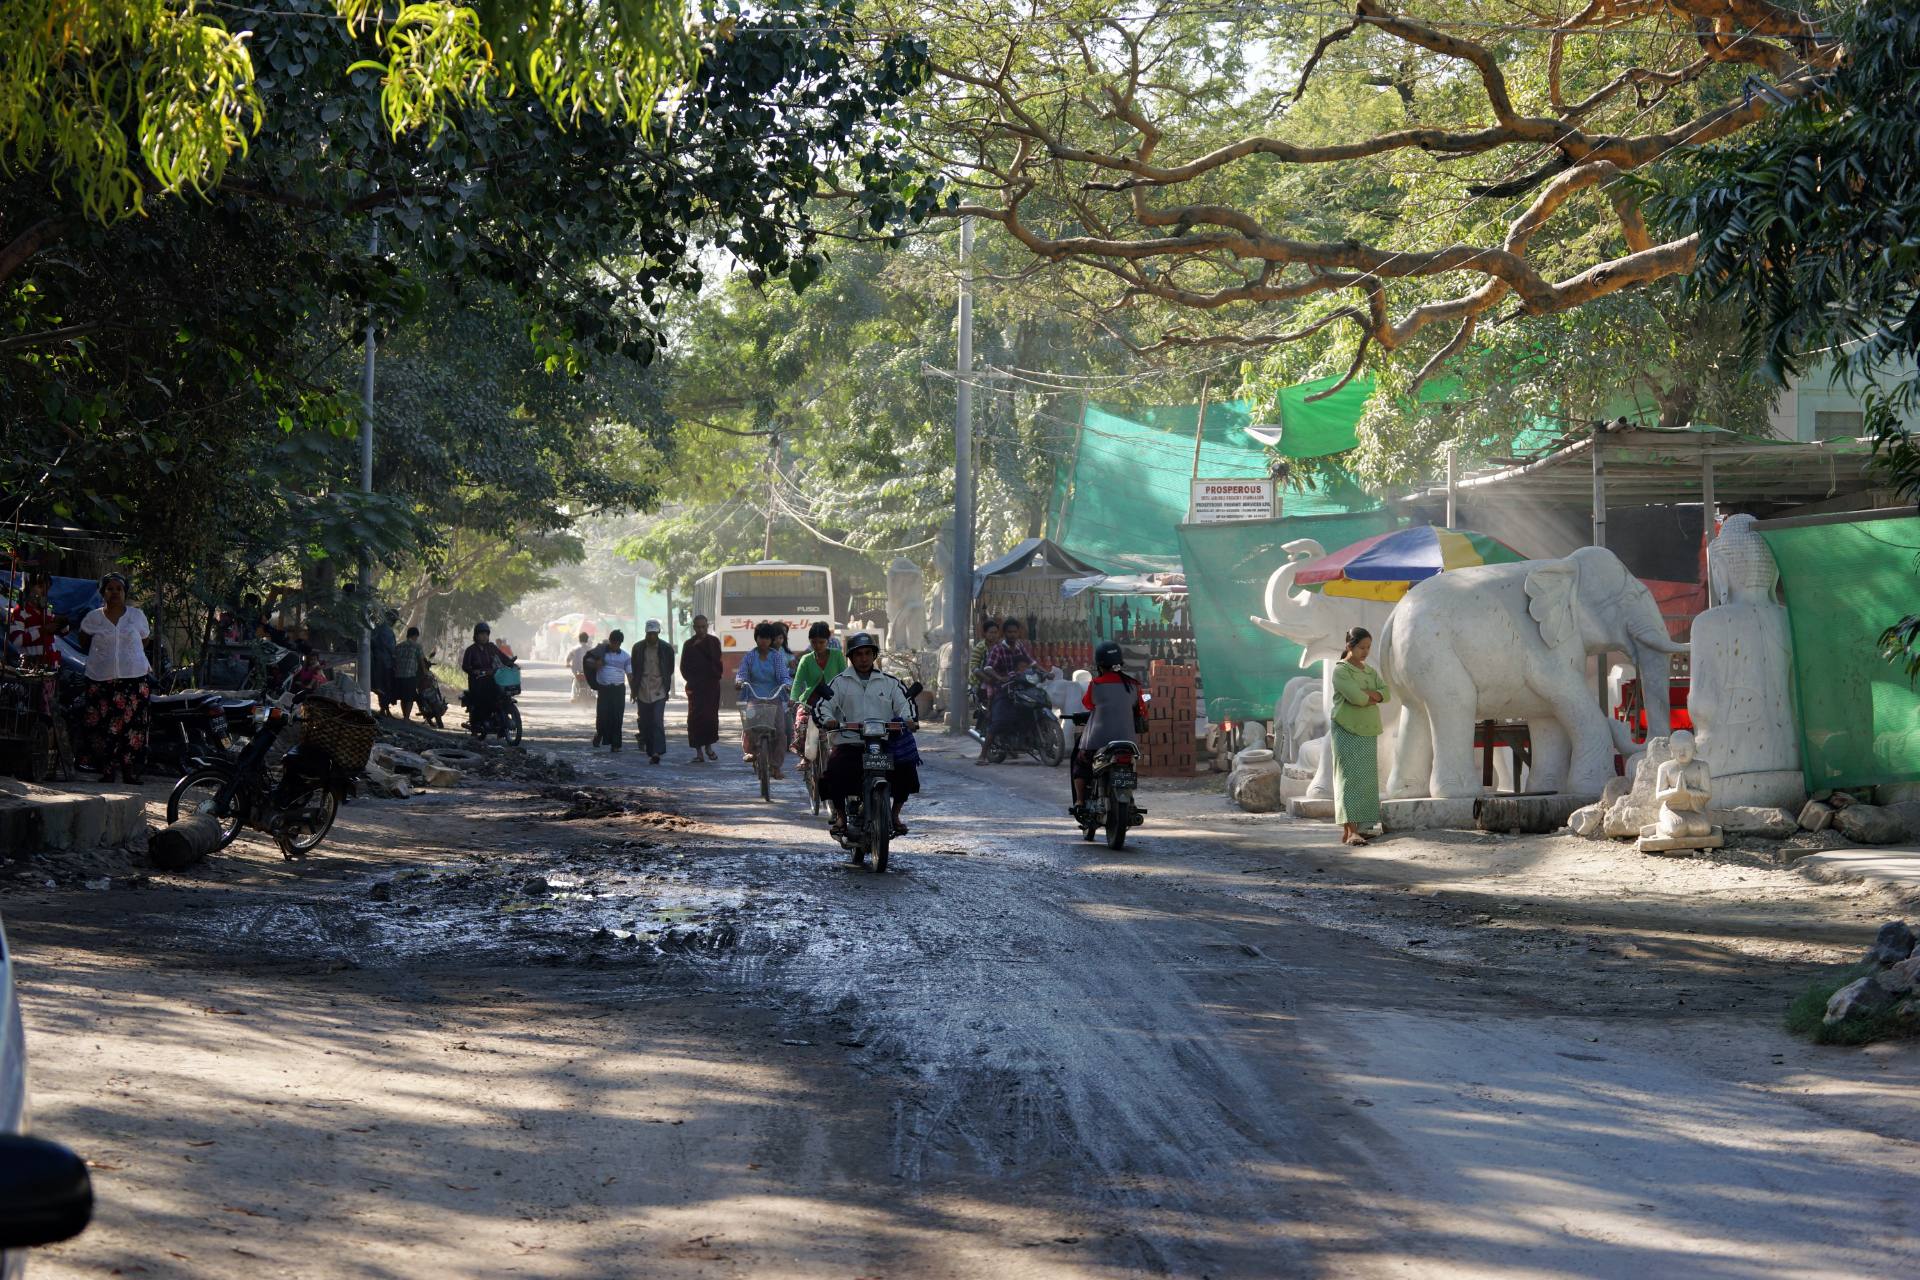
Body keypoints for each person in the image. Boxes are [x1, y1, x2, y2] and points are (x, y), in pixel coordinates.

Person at [815, 633, 919, 838]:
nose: (863, 658)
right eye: (859, 654)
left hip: (884, 744)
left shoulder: (890, 682)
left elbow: (905, 704)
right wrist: (828, 720)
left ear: (874, 656)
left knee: (906, 768)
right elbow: (822, 707)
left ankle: (894, 815)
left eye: (868, 653)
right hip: (850, 742)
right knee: (835, 770)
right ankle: (841, 817)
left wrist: (908, 720)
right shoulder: (839, 682)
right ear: (851, 658)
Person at [77, 572, 152, 783]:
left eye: (118, 589)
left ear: (125, 592)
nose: (114, 593)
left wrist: (128, 655)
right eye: (110, 589)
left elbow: (145, 640)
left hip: (134, 679)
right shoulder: (93, 618)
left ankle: (129, 772)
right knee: (102, 726)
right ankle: (107, 771)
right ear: (103, 593)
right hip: (100, 679)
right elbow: (83, 641)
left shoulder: (137, 616)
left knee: (132, 728)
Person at [1071, 641, 1147, 819]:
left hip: (1097, 740)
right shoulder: (1133, 685)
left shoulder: (1096, 684)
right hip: (1128, 742)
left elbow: (1088, 704)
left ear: (1099, 664)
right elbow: (1141, 708)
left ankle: (1080, 802)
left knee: (1081, 763)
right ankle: (1130, 800)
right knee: (1130, 766)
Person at [1330, 626, 1389, 846]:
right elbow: (1356, 698)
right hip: (1346, 728)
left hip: (1368, 728)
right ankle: (1350, 830)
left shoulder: (1369, 671)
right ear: (1349, 646)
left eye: (1368, 648)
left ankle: (1360, 829)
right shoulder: (1341, 671)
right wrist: (1372, 696)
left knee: (1366, 780)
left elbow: (1387, 693)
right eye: (1362, 647)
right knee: (1348, 778)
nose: (1366, 652)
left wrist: (1372, 695)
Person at [735, 621, 792, 777]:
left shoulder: (776, 657)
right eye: (761, 637)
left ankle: (776, 766)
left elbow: (783, 676)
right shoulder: (750, 656)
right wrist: (739, 682)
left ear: (771, 640)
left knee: (780, 732)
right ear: (756, 638)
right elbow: (742, 673)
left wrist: (787, 685)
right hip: (754, 696)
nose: (764, 641)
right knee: (749, 726)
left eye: (767, 638)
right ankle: (751, 751)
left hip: (774, 696)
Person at [978, 618, 1036, 765]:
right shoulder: (998, 649)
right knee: (999, 721)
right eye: (1009, 632)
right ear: (1004, 633)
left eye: (1015, 631)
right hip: (1002, 688)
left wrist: (1046, 673)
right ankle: (982, 755)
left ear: (1019, 632)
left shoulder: (1020, 646)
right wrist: (1000, 678)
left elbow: (1031, 662)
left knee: (1032, 708)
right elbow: (988, 667)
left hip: (1020, 686)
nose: (1012, 634)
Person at [789, 621, 846, 754]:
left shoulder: (837, 655)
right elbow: (797, 682)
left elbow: (844, 677)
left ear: (828, 641)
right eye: (814, 642)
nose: (818, 646)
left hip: (833, 700)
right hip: (810, 701)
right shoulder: (806, 659)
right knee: (802, 722)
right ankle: (805, 756)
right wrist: (793, 698)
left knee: (841, 731)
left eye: (821, 642)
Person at [680, 614, 723, 763]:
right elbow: (683, 667)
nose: (701, 630)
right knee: (694, 719)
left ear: (707, 626)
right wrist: (692, 681)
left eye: (703, 627)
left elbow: (717, 662)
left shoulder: (714, 642)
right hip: (695, 687)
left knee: (710, 718)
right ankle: (699, 752)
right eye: (698, 627)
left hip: (711, 686)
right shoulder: (688, 644)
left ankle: (709, 747)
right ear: (693, 627)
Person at [630, 620, 674, 764]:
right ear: (646, 633)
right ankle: (650, 750)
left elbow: (670, 668)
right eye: (649, 634)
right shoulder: (637, 648)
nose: (651, 637)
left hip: (659, 688)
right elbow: (635, 670)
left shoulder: (666, 648)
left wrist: (665, 684)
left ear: (658, 633)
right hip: (642, 688)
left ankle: (657, 752)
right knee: (645, 721)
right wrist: (633, 690)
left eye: (654, 634)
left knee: (657, 720)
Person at [7, 572, 63, 670]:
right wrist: (42, 630)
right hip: (31, 668)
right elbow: (17, 640)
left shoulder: (47, 611)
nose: (44, 592)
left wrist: (62, 624)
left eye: (47, 589)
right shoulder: (20, 611)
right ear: (29, 587)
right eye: (41, 587)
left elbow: (62, 632)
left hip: (51, 667)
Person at [461, 622, 505, 732]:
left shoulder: (491, 647)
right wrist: (474, 671)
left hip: (491, 679)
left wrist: (511, 664)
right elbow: (465, 666)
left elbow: (502, 657)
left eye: (486, 634)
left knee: (499, 694)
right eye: (481, 634)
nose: (484, 636)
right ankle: (477, 723)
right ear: (476, 635)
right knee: (482, 699)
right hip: (477, 681)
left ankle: (497, 718)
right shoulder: (470, 650)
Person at [594, 630, 632, 752]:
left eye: (618, 643)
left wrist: (634, 691)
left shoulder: (626, 657)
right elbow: (590, 664)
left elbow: (629, 674)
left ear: (621, 643)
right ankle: (599, 734)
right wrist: (597, 664)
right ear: (610, 641)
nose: (615, 645)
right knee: (602, 715)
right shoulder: (600, 653)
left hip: (618, 690)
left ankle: (616, 745)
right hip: (604, 689)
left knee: (617, 716)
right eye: (613, 643)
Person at [391, 626, 426, 720]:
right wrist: (425, 672)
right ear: (415, 636)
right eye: (416, 637)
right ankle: (406, 717)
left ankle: (404, 716)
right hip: (410, 675)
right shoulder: (417, 647)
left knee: (403, 696)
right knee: (409, 697)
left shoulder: (399, 646)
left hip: (398, 675)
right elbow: (422, 661)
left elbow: (393, 659)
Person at [370, 608, 398, 716]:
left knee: (380, 685)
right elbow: (391, 648)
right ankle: (384, 708)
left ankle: (384, 708)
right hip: (386, 662)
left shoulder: (376, 628)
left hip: (377, 660)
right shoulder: (387, 631)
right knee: (386, 685)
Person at [566, 630, 593, 703]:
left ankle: (574, 697)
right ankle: (594, 696)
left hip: (577, 672)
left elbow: (568, 658)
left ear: (579, 639)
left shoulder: (574, 649)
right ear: (587, 640)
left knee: (575, 682)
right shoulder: (590, 649)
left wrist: (568, 663)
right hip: (588, 672)